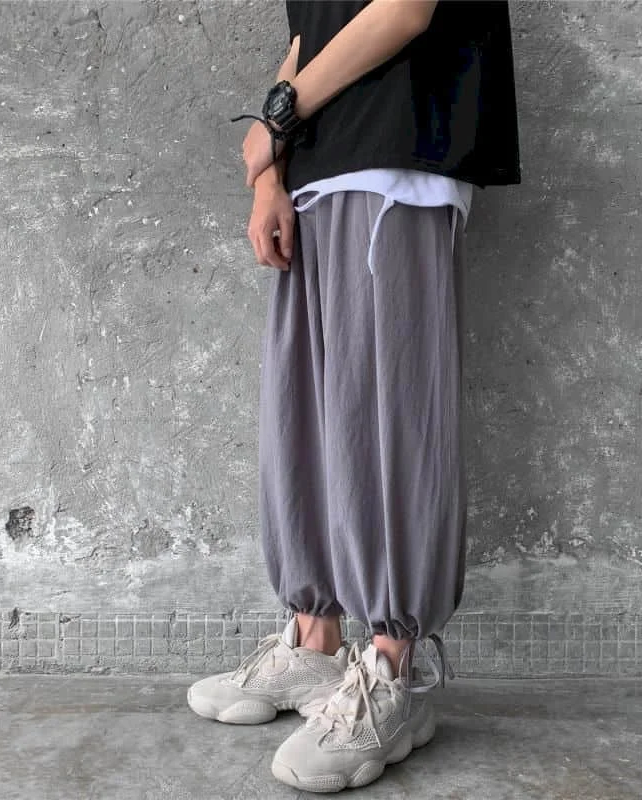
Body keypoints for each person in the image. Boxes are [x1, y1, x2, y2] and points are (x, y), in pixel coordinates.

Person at [187, 0, 520, 791]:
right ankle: (315, 642)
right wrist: (269, 171)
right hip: (316, 167)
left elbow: (404, 10)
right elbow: (308, 32)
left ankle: (395, 669)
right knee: (305, 416)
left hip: (401, 155)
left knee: (391, 418)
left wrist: (280, 117)